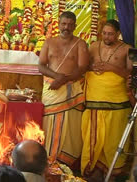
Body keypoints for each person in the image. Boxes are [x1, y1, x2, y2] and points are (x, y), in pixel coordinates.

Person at [81, 19, 132, 180]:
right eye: (104, 33)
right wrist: (92, 67)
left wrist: (112, 68)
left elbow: (131, 76)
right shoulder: (94, 46)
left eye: (110, 34)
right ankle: (94, 171)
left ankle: (112, 173)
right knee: (93, 140)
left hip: (118, 103)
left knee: (114, 141)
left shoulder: (127, 49)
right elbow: (84, 66)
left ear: (118, 34)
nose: (107, 37)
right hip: (94, 100)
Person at [38, 11, 89, 166]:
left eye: (70, 24)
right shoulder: (49, 42)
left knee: (70, 129)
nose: (66, 27)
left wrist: (62, 79)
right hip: (52, 90)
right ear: (58, 24)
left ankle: (64, 164)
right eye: (63, 24)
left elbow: (82, 67)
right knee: (48, 125)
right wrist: (56, 77)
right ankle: (46, 161)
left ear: (74, 26)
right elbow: (41, 66)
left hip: (70, 90)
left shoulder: (80, 43)